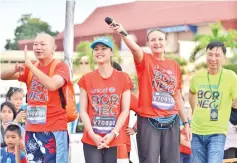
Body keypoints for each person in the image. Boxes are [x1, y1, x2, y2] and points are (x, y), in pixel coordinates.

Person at [109, 24, 191, 163]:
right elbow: (134, 48)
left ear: (166, 42)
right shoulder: (145, 60)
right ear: (148, 43)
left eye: (160, 39)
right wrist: (123, 32)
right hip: (148, 121)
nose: (157, 43)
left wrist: (186, 123)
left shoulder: (174, 65)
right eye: (153, 40)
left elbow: (177, 96)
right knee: (149, 160)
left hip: (171, 121)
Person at [1, 32, 70, 163]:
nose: (38, 47)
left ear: (53, 48)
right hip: (32, 128)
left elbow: (53, 84)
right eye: (35, 44)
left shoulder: (61, 67)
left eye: (43, 44)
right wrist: (15, 68)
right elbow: (3, 76)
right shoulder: (30, 67)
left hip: (53, 129)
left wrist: (30, 66)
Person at [78, 36, 133, 163]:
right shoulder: (86, 79)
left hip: (115, 139)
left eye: (103, 48)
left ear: (111, 52)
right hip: (91, 139)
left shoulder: (124, 78)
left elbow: (125, 110)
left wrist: (113, 133)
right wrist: (92, 135)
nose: (99, 52)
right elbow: (83, 111)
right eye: (96, 49)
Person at [189, 41, 237, 163]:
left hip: (217, 132)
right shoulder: (197, 77)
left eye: (217, 55)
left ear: (224, 58)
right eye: (209, 55)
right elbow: (192, 92)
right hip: (196, 132)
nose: (213, 58)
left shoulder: (230, 76)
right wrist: (194, 111)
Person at [112, 61, 138, 163]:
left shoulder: (127, 95)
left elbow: (144, 112)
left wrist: (134, 129)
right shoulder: (98, 93)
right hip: (101, 142)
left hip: (121, 144)